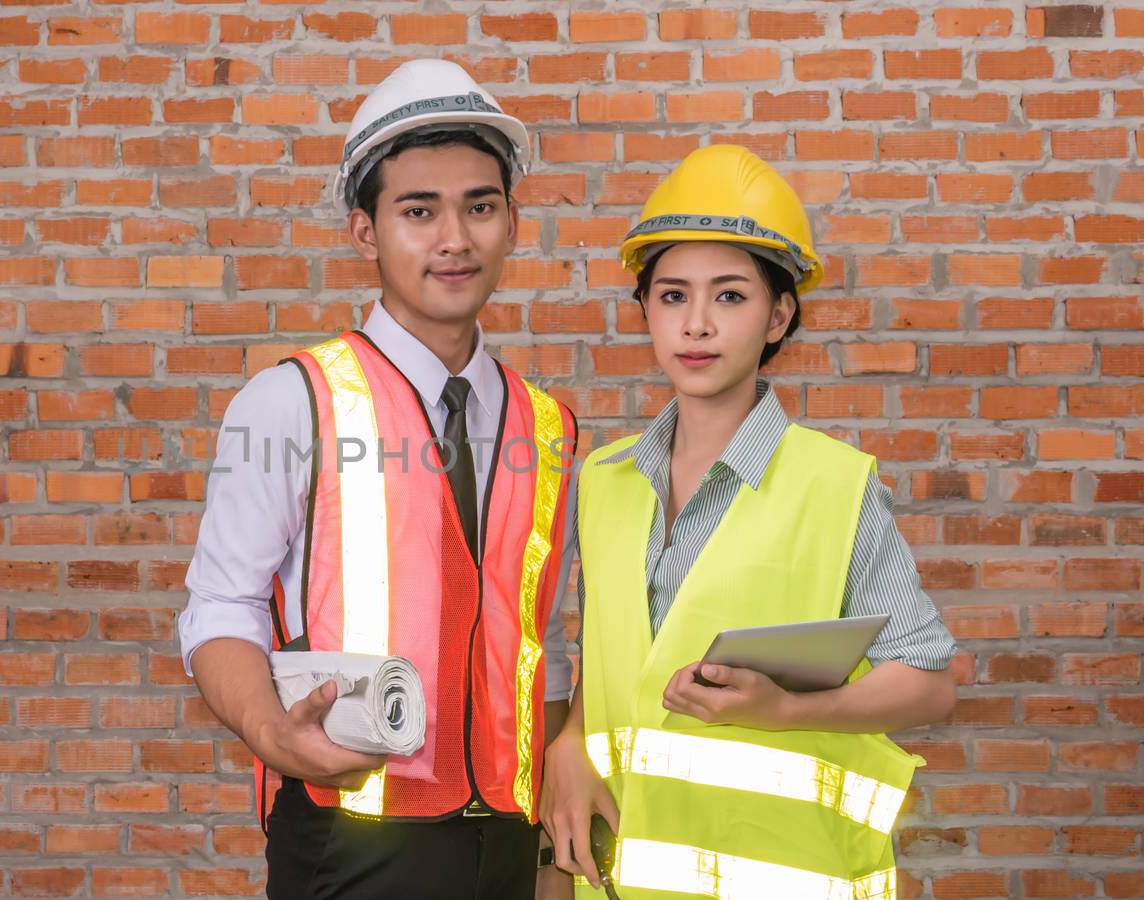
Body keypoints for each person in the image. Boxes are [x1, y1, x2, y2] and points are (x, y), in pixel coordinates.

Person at [178, 59, 580, 899]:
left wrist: (547, 844)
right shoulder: (290, 402)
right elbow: (220, 607)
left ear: (512, 222)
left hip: (509, 840)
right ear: (365, 231)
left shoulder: (548, 427)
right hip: (348, 832)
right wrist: (273, 735)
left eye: (480, 206)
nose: (454, 238)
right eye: (418, 211)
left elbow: (541, 641)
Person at [539, 144, 959, 899]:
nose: (696, 324)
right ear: (645, 312)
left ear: (779, 316)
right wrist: (567, 742)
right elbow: (604, 665)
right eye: (672, 297)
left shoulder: (837, 487)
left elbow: (928, 682)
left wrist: (788, 709)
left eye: (729, 296)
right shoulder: (601, 482)